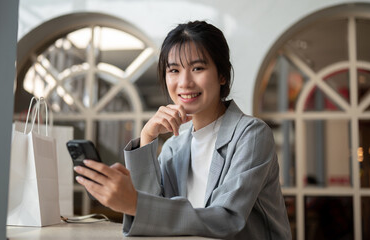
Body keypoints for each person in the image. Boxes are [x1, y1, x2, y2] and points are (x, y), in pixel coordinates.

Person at [74, 20, 292, 239]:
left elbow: (227, 219)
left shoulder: (251, 135)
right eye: (174, 70)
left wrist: (136, 204)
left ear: (222, 75)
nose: (185, 82)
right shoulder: (174, 145)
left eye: (197, 68)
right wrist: (147, 137)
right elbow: (155, 220)